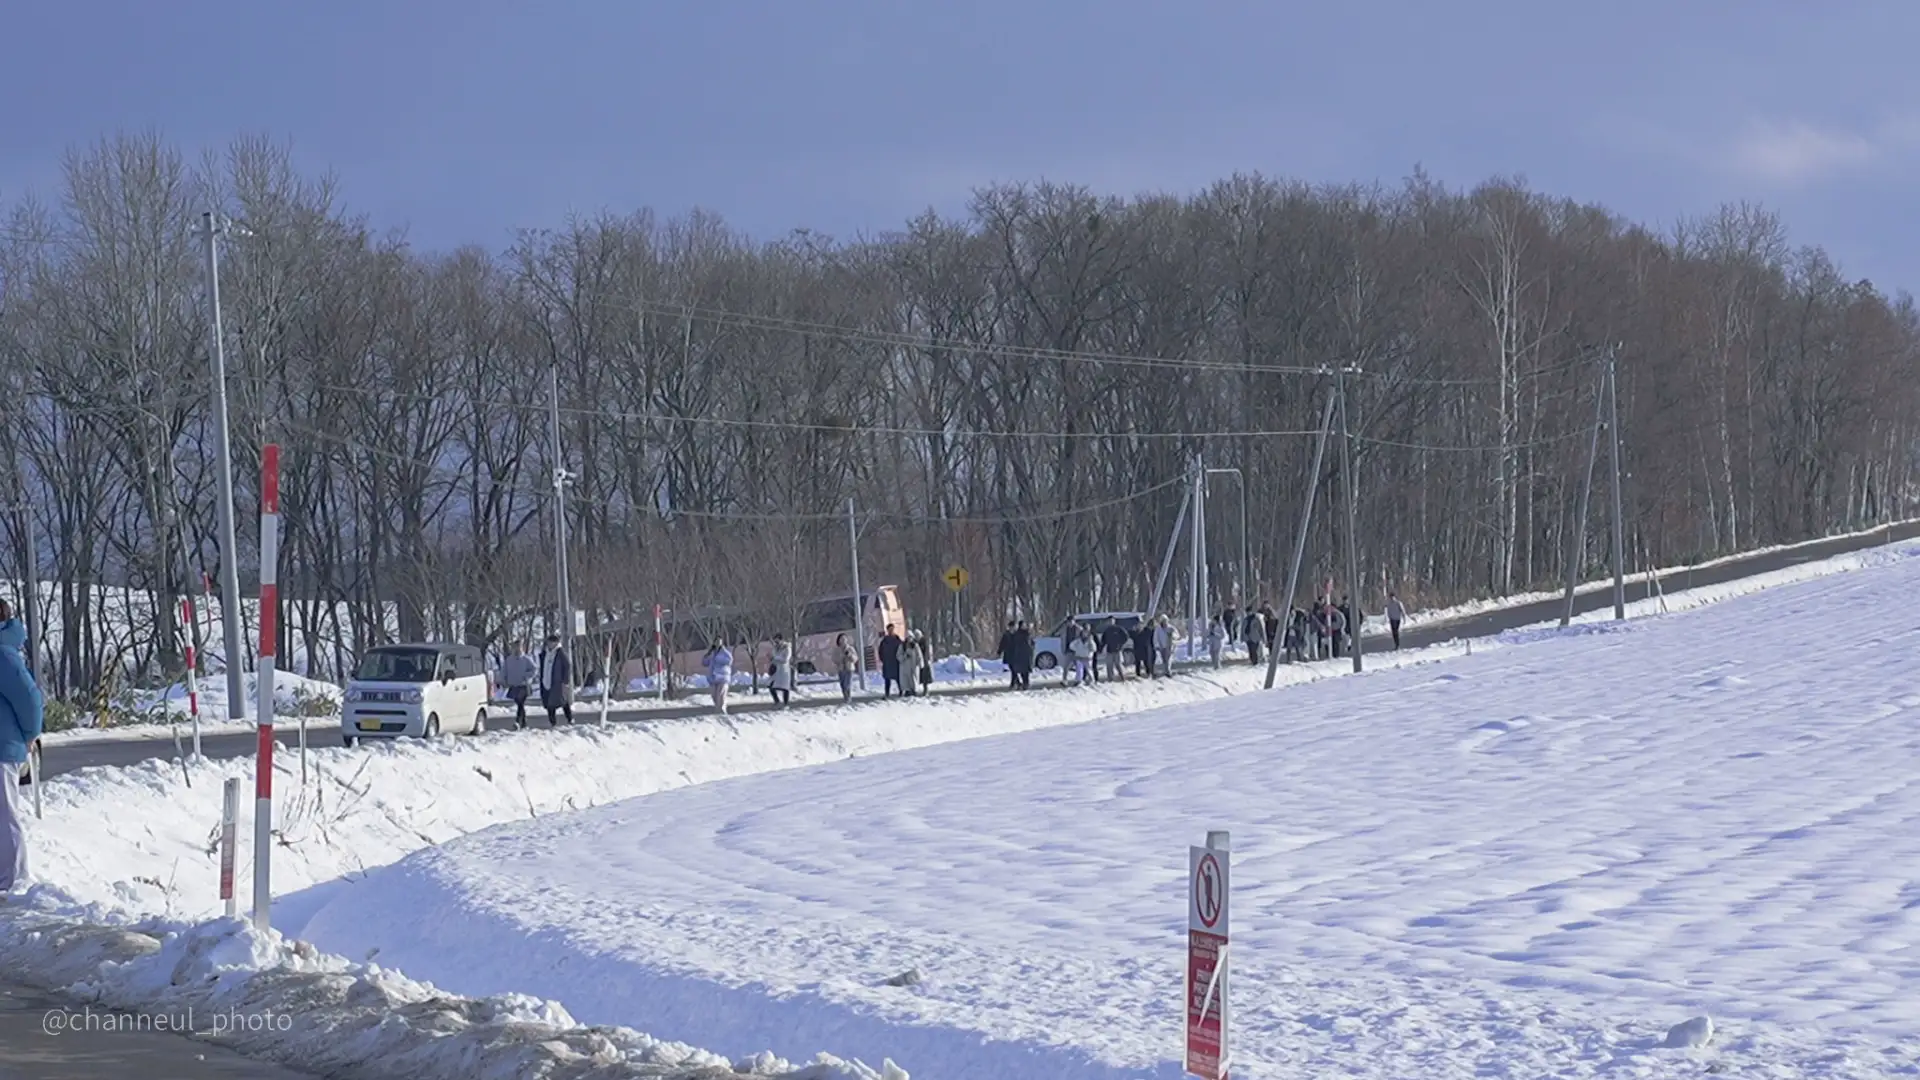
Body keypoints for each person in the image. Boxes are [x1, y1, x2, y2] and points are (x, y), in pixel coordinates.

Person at [0, 599, 43, 895]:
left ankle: (13, 881)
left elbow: (28, 697)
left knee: (4, 816)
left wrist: (31, 734)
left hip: (2, 747)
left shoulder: (2, 655)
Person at [537, 634, 573, 726]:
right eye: (548, 642)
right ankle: (552, 722)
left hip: (557, 682)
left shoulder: (560, 653)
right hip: (546, 680)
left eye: (552, 643)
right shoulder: (545, 653)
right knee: (549, 703)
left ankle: (570, 718)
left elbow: (567, 666)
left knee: (563, 701)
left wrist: (565, 680)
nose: (550, 644)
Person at [501, 640, 536, 729]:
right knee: (519, 703)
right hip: (513, 685)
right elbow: (504, 671)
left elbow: (534, 670)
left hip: (523, 685)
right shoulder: (509, 660)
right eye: (515, 647)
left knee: (520, 702)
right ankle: (524, 722)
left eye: (519, 647)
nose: (517, 649)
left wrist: (526, 676)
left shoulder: (526, 659)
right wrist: (504, 680)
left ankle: (517, 721)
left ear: (522, 648)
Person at [704, 642, 733, 714]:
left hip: (723, 678)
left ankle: (722, 711)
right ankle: (718, 709)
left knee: (721, 694)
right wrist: (707, 654)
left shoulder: (725, 653)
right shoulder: (712, 654)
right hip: (713, 679)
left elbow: (730, 660)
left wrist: (722, 651)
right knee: (714, 695)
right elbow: (704, 663)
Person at [768, 633, 795, 707]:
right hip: (776, 670)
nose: (776, 643)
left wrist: (775, 659)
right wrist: (771, 660)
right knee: (771, 686)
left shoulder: (787, 648)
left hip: (784, 670)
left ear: (781, 640)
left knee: (785, 688)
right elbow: (774, 657)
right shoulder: (775, 648)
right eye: (775, 641)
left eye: (777, 641)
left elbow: (785, 659)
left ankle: (786, 704)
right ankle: (777, 702)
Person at [879, 625, 905, 697]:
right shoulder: (884, 641)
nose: (890, 631)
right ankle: (887, 693)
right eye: (889, 629)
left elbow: (902, 649)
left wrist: (900, 659)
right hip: (887, 663)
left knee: (898, 678)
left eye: (892, 629)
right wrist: (883, 659)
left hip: (895, 662)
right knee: (887, 679)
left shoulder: (897, 639)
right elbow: (880, 651)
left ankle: (901, 691)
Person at [1008, 620, 1034, 690]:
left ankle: (1024, 684)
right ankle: (1025, 684)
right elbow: (1031, 643)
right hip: (1023, 655)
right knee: (1024, 671)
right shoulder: (1025, 634)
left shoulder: (1017, 634)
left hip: (1021, 655)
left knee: (1023, 671)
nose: (1025, 626)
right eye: (1024, 625)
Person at [899, 631, 925, 698]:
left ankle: (914, 690)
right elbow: (898, 656)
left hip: (914, 665)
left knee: (914, 678)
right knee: (906, 679)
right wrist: (905, 656)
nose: (909, 639)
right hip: (905, 666)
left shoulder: (915, 645)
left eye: (910, 637)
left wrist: (920, 663)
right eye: (908, 637)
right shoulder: (902, 646)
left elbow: (919, 655)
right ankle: (907, 691)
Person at [833, 633, 858, 702]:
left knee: (847, 683)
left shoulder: (850, 648)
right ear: (839, 641)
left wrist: (849, 655)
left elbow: (855, 659)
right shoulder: (837, 650)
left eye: (845, 639)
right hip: (841, 669)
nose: (843, 640)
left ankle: (848, 697)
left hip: (849, 668)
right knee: (843, 684)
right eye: (842, 639)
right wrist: (840, 659)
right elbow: (834, 659)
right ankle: (845, 696)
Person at [997, 620, 1019, 689]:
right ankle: (1017, 683)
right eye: (1010, 627)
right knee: (1012, 668)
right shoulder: (1006, 635)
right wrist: (999, 651)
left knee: (1014, 669)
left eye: (1013, 627)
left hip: (1016, 654)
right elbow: (1002, 643)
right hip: (1008, 653)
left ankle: (1013, 684)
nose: (1012, 628)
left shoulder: (1017, 634)